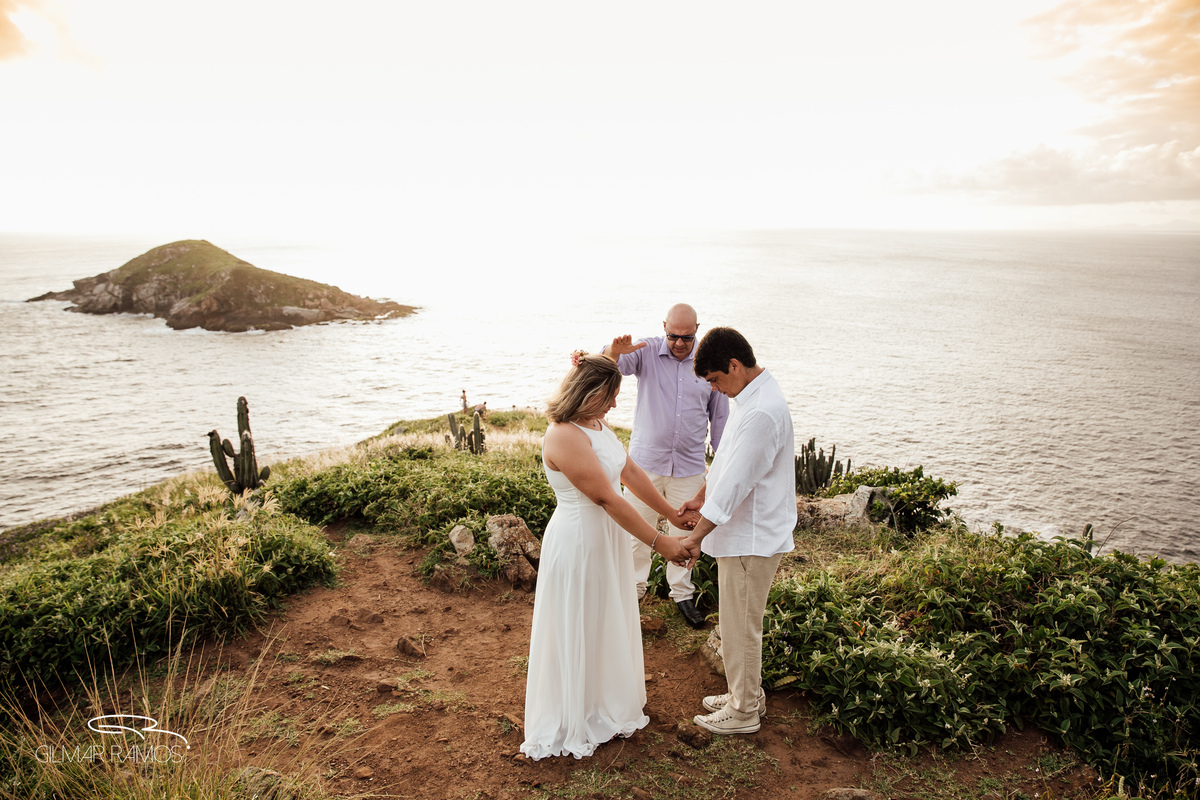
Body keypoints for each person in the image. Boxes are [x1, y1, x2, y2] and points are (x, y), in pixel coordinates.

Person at [521, 352, 700, 760]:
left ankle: (605, 701)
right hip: (580, 540)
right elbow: (605, 497)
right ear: (589, 393)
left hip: (608, 537)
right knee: (582, 617)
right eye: (610, 396)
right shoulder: (563, 435)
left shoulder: (596, 424)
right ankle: (577, 711)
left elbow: (629, 472)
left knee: (605, 615)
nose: (616, 404)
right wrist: (660, 542)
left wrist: (671, 514)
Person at [678, 327, 796, 735]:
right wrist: (700, 497)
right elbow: (727, 461)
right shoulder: (749, 397)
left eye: (714, 380)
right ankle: (746, 694)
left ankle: (744, 711)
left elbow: (734, 484)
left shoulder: (761, 411)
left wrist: (694, 538)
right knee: (735, 622)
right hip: (744, 534)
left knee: (741, 626)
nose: (714, 389)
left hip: (752, 536)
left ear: (734, 365)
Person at [601, 303, 728, 628]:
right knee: (635, 533)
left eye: (687, 337)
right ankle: (633, 592)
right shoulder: (646, 351)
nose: (679, 343)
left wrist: (723, 460)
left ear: (697, 329)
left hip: (689, 466)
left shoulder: (708, 360)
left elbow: (720, 418)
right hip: (644, 466)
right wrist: (612, 351)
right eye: (673, 336)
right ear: (664, 328)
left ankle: (682, 594)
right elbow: (608, 366)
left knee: (687, 535)